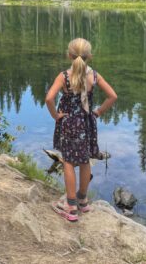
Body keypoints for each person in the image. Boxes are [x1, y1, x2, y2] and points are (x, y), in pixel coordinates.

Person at [45, 38, 118, 222]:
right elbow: (112, 96)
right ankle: (83, 201)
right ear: (89, 57)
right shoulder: (94, 75)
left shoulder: (64, 76)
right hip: (87, 123)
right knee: (85, 160)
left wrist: (55, 116)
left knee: (68, 161)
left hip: (69, 123)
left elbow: (49, 99)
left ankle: (70, 206)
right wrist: (98, 112)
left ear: (69, 55)